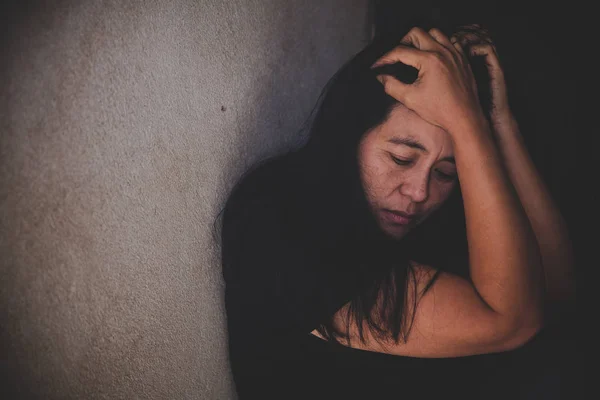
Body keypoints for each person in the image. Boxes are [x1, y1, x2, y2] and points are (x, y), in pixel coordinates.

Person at [219, 24, 576, 399]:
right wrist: (465, 121)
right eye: (401, 158)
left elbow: (556, 289)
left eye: (446, 172)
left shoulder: (430, 226)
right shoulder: (279, 222)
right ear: (350, 133)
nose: (420, 192)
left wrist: (498, 124)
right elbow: (514, 322)